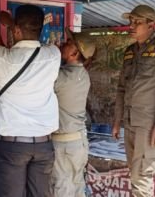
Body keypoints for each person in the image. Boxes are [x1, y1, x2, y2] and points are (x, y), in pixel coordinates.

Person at [0, 1, 61, 197]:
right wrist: (10, 26)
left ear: (16, 30)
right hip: (43, 146)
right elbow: (23, 62)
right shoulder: (53, 55)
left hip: (12, 147)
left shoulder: (3, 60)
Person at [112, 4, 155, 197]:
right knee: (135, 172)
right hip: (130, 121)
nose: (131, 26)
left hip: (148, 124)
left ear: (151, 24)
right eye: (130, 22)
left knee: (142, 175)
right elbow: (121, 89)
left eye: (137, 22)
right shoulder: (130, 51)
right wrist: (117, 121)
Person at [52, 36, 91, 197]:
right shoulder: (84, 75)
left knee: (62, 188)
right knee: (77, 187)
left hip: (64, 144)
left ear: (74, 53)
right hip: (79, 142)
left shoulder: (61, 78)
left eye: (68, 44)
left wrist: (51, 54)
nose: (63, 44)